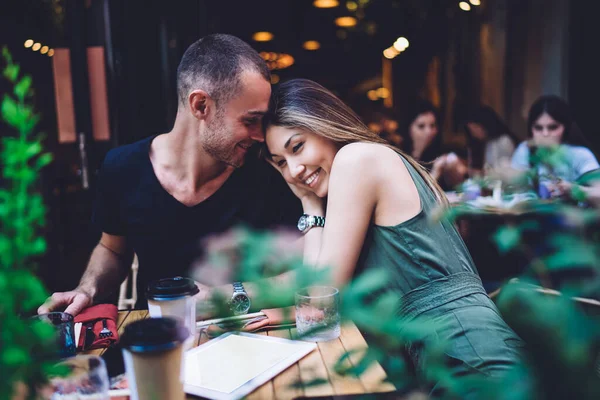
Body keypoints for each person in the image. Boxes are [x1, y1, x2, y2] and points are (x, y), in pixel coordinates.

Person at [215, 79, 522, 393]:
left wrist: (308, 203)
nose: (293, 170)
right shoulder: (360, 176)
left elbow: (319, 299)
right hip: (452, 353)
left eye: (297, 147)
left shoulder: (356, 160)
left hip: (468, 354)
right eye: (281, 163)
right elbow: (295, 274)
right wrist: (224, 296)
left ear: (325, 126)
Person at [38, 34, 300, 316]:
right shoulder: (123, 167)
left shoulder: (269, 171)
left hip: (252, 336)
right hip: (157, 341)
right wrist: (86, 289)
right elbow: (113, 249)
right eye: (250, 121)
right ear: (200, 106)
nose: (260, 136)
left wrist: (228, 296)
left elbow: (306, 272)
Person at [511, 95, 600, 201]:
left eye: (553, 127)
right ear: (531, 129)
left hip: (571, 215)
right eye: (538, 128)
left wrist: (574, 190)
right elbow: (513, 189)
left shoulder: (579, 153)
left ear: (565, 127)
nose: (545, 134)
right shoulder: (525, 150)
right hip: (530, 214)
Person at [402, 100, 465, 188]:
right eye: (421, 126)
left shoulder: (439, 152)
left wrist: (455, 171)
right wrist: (435, 172)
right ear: (409, 129)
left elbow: (457, 186)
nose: (428, 132)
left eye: (432, 126)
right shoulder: (400, 157)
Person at [463, 105, 517, 172]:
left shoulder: (504, 141)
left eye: (476, 128)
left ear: (485, 125)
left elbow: (506, 170)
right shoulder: (487, 142)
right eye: (471, 131)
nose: (474, 134)